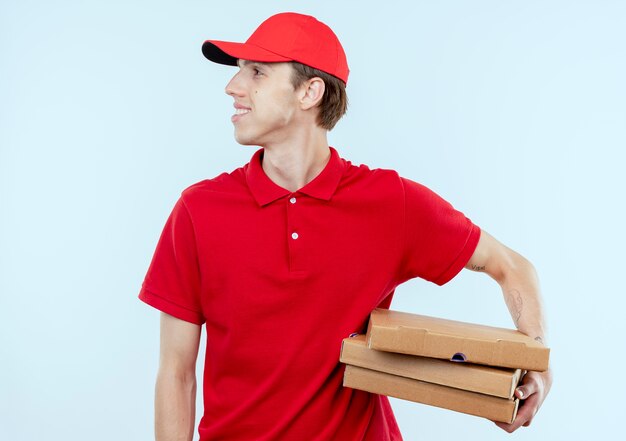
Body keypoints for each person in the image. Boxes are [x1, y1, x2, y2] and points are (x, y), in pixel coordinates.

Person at [138, 11, 552, 441]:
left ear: (310, 92)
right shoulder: (198, 210)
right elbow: (175, 373)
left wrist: (538, 369)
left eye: (257, 72)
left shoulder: (391, 204)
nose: (233, 87)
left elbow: (510, 266)